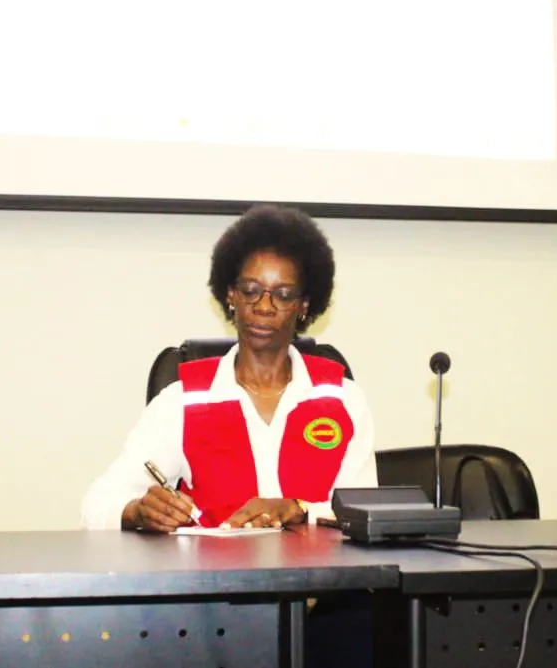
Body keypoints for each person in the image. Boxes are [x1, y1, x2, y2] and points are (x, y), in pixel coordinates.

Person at [81, 204, 378, 531]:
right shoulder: (182, 402)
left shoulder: (344, 399)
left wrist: (300, 509)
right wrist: (137, 511)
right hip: (214, 566)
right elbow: (96, 505)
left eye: (282, 295)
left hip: (323, 567)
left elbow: (367, 512)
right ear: (231, 295)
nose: (264, 307)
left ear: (304, 306)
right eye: (250, 291)